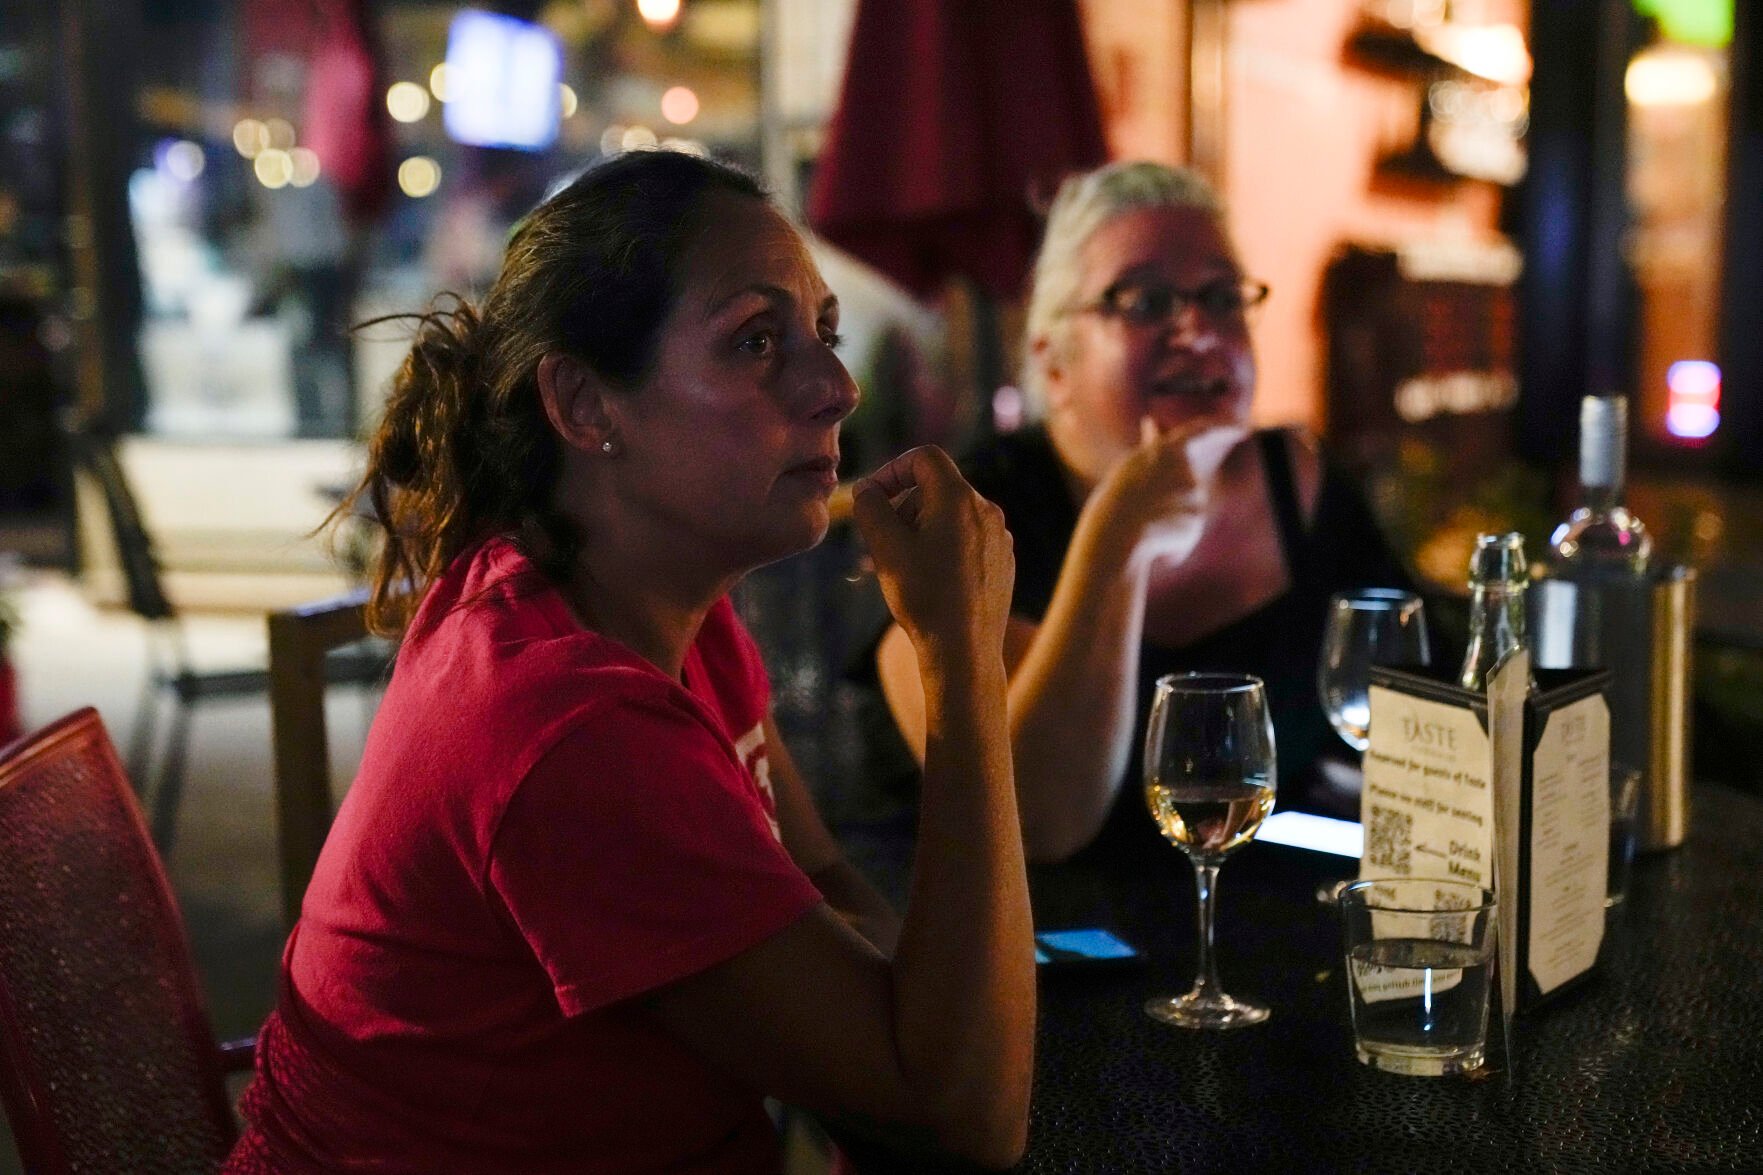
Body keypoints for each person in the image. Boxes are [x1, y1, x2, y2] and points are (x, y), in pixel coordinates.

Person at [224, 149, 1033, 1173]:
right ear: (585, 403)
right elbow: (967, 1113)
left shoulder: (644, 602)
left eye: (822, 332)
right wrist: (960, 656)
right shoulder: (569, 725)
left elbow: (818, 871)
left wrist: (901, 1012)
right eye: (754, 340)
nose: (835, 385)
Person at [870, 160, 1412, 867]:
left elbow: (1420, 713)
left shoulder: (1299, 483)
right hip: (1047, 960)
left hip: (1270, 946)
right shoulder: (971, 515)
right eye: (1145, 300)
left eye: (1221, 297)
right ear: (1052, 361)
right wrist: (1119, 531)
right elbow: (1035, 821)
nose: (1196, 329)